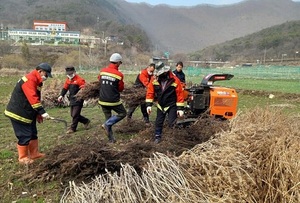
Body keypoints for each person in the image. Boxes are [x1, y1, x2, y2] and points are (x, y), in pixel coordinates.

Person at [4, 63, 53, 164]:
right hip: (18, 112)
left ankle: (34, 154)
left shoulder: (38, 81)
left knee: (33, 133)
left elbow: (37, 97)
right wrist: (42, 112)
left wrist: (38, 114)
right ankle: (23, 157)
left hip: (28, 112)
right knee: (24, 135)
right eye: (46, 74)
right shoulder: (29, 79)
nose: (46, 77)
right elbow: (33, 98)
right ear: (40, 71)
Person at [146, 62, 185, 143]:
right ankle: (157, 137)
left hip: (172, 105)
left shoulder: (175, 80)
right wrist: (148, 105)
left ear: (165, 72)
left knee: (172, 123)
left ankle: (173, 138)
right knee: (158, 122)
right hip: (161, 104)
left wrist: (180, 108)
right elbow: (150, 92)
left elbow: (179, 94)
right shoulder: (154, 79)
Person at [98, 53, 127, 143]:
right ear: (117, 62)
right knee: (122, 113)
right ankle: (106, 124)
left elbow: (99, 79)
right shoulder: (119, 74)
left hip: (102, 99)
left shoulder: (102, 71)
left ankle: (111, 140)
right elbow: (120, 88)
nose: (120, 64)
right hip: (113, 100)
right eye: (120, 63)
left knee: (108, 118)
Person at [57, 66, 90, 134]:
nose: (69, 75)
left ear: (74, 72)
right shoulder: (68, 80)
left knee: (75, 114)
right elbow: (65, 88)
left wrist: (85, 100)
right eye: (68, 74)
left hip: (79, 99)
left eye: (71, 74)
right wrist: (61, 95)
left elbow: (84, 90)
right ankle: (85, 121)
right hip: (71, 99)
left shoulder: (80, 80)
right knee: (73, 114)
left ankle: (73, 128)